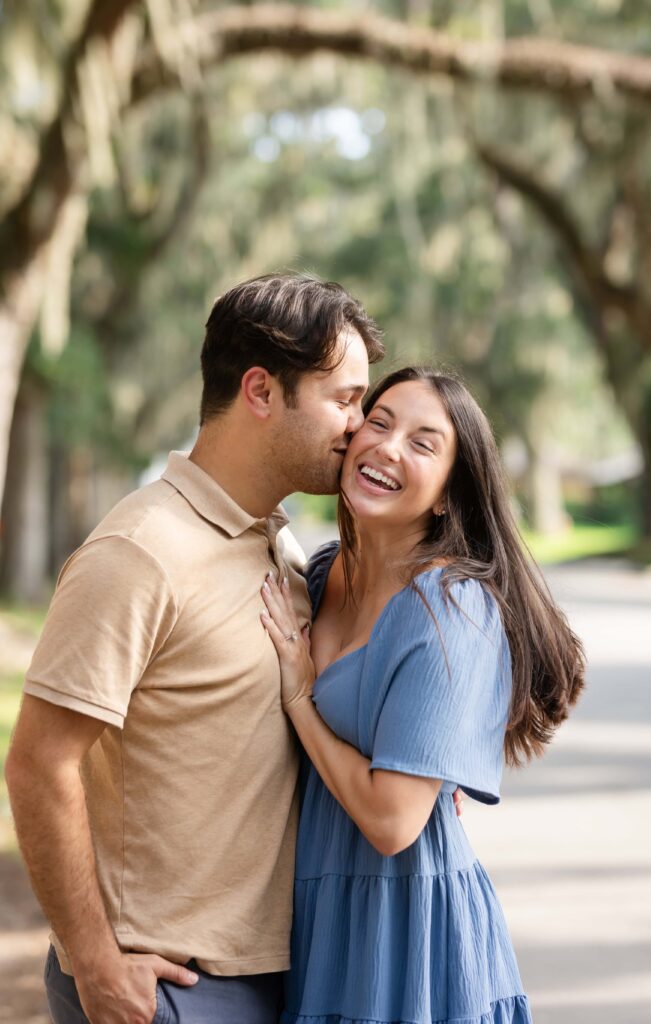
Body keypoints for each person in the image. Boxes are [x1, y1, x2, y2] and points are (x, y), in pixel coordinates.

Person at [4, 273, 385, 1024]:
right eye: (343, 398)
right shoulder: (140, 551)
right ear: (260, 391)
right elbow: (38, 761)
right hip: (168, 987)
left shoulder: (277, 544)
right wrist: (94, 964)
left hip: (270, 974)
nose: (360, 425)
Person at [260, 365, 586, 1024]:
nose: (386, 446)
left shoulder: (452, 608)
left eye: (422, 442)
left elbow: (392, 823)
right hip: (318, 913)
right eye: (377, 423)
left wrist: (300, 698)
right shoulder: (323, 576)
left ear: (445, 496)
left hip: (404, 929)